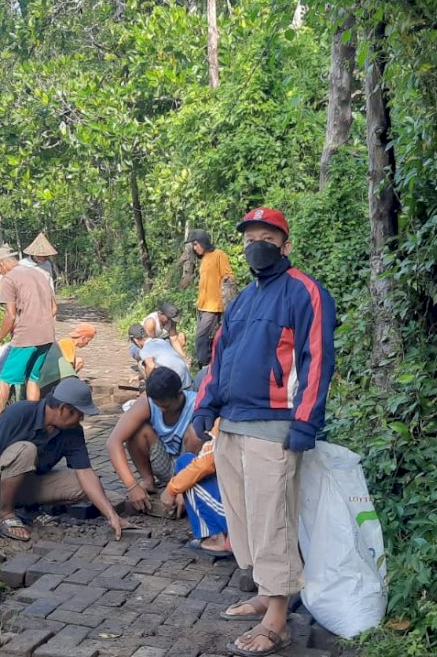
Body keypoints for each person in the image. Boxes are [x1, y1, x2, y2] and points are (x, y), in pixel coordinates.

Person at [191, 207, 337, 657]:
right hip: (232, 423)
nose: (258, 246)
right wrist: (204, 406)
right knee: (244, 518)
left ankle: (277, 618)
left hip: (274, 424)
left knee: (273, 518)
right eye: (251, 239)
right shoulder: (241, 301)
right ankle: (264, 592)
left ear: (285, 245)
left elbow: (317, 358)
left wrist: (306, 420)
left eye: (267, 239)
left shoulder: (305, 291)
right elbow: (219, 358)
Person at [0, 378, 130, 542]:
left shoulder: (73, 431)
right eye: (79, 414)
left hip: (27, 483)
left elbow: (85, 473)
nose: (81, 419)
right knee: (26, 450)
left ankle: (24, 506)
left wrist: (111, 515)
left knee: (81, 485)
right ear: (64, 409)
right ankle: (5, 513)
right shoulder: (18, 413)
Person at [107, 367, 203, 513]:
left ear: (179, 394)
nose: (162, 410)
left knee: (196, 433)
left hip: (189, 466)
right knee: (137, 431)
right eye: (158, 405)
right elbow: (113, 442)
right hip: (164, 463)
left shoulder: (197, 404)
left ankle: (188, 487)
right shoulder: (147, 403)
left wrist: (183, 486)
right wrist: (132, 486)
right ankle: (149, 482)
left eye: (167, 406)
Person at [0, 246, 58, 418]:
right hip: (47, 335)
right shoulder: (39, 274)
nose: (0, 273)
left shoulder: (8, 279)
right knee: (33, 378)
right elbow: (54, 308)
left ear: (2, 264)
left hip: (26, 336)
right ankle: (33, 419)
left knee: (4, 378)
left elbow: (10, 315)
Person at [162, 421, 230, 558]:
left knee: (185, 462)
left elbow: (205, 464)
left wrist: (172, 489)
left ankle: (216, 537)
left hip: (244, 515)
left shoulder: (227, 417)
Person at [185, 229, 234, 368]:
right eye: (193, 245)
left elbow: (229, 275)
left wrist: (226, 298)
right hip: (202, 305)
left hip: (213, 306)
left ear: (203, 242)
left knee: (201, 337)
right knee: (209, 338)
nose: (195, 248)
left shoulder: (219, 255)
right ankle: (211, 365)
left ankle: (205, 365)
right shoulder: (204, 259)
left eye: (196, 244)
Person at [127, 324, 193, 389]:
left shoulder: (145, 349)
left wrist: (149, 384)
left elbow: (151, 366)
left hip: (176, 385)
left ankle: (152, 392)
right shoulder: (160, 341)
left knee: (141, 364)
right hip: (187, 380)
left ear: (135, 340)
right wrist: (140, 377)